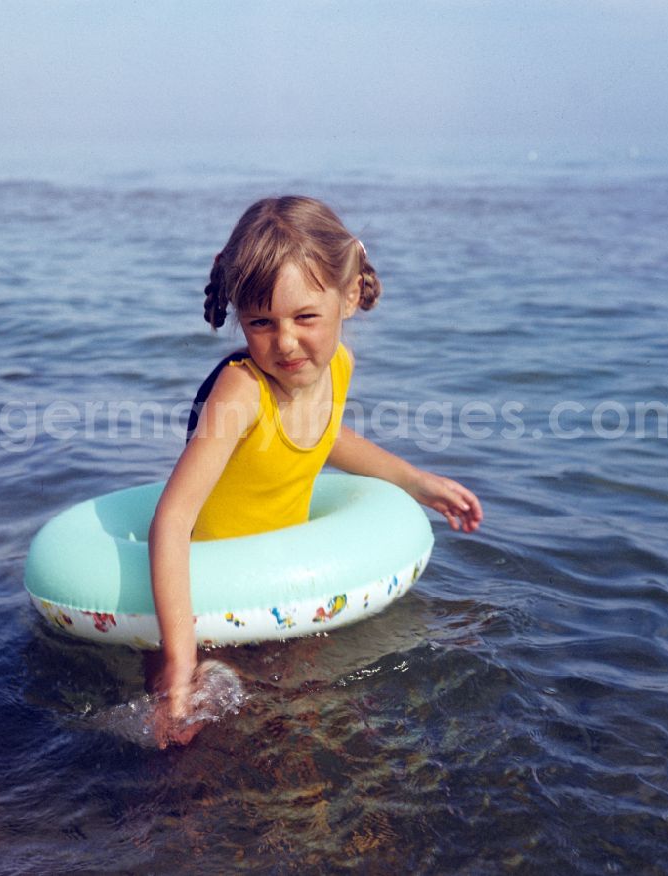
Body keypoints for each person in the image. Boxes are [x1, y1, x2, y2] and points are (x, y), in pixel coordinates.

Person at [147, 196, 482, 744]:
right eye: (260, 322)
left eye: (305, 317)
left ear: (348, 297)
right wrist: (178, 662)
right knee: (190, 763)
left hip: (285, 590)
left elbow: (322, 439)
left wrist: (418, 483)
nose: (285, 342)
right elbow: (173, 518)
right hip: (215, 610)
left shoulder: (337, 367)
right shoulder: (241, 390)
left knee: (312, 736)